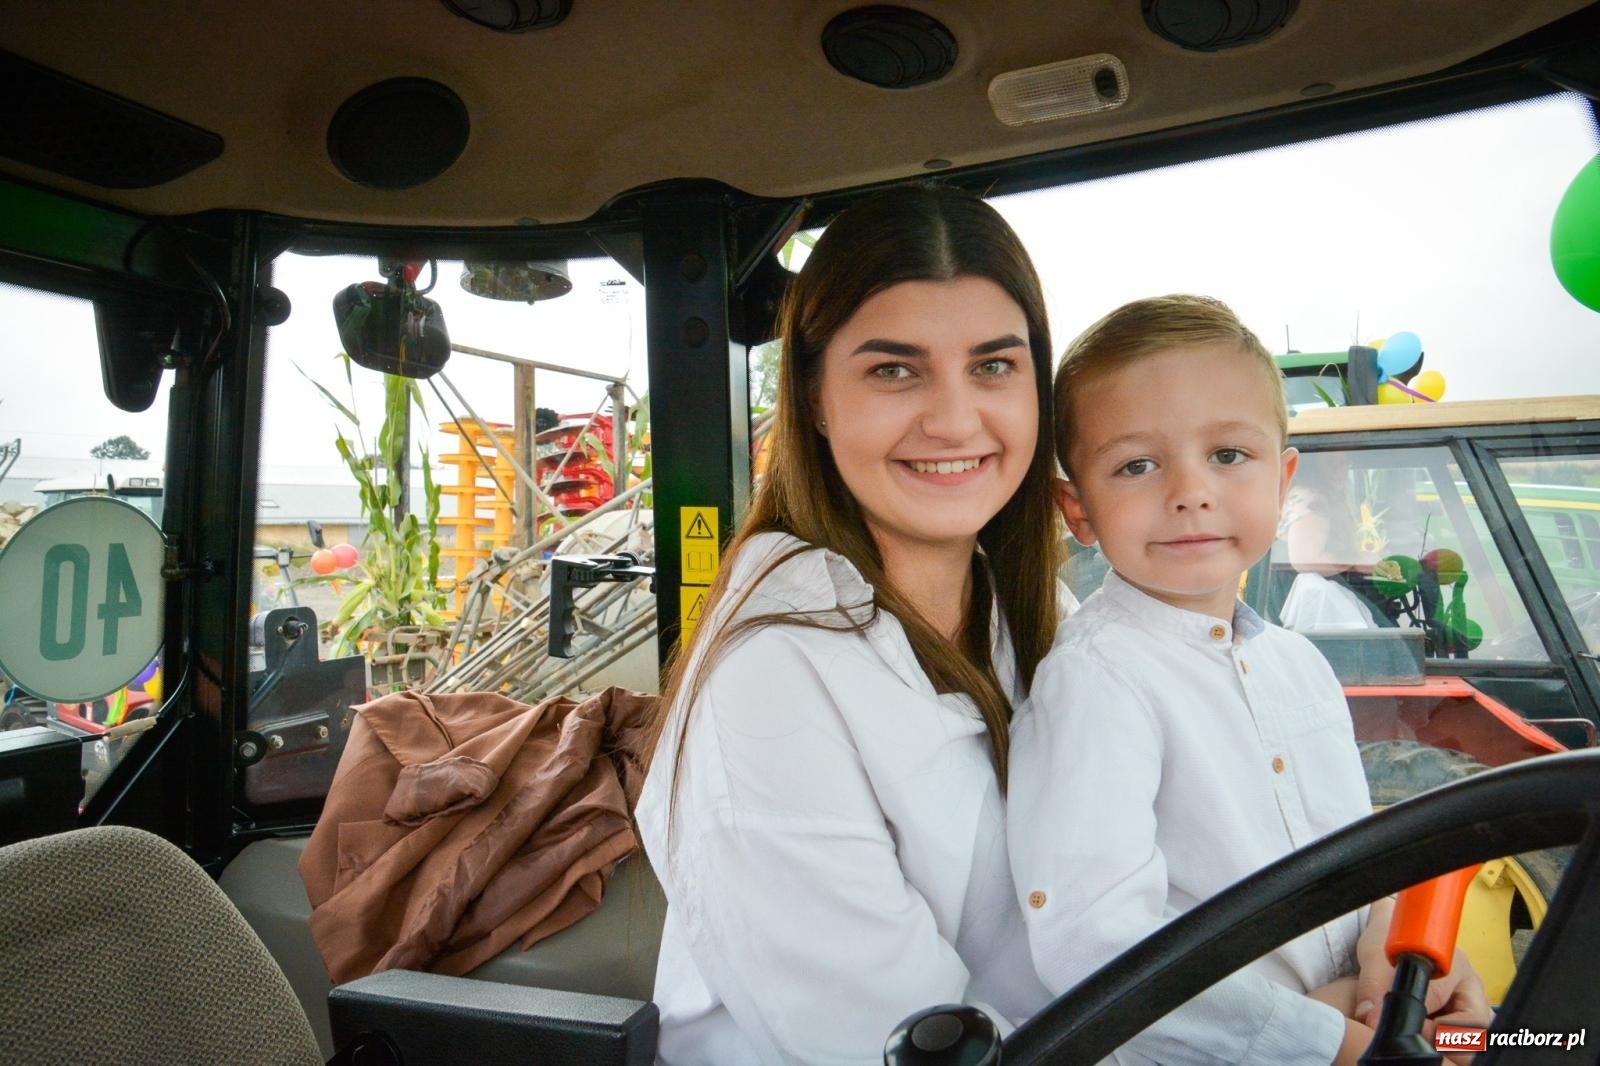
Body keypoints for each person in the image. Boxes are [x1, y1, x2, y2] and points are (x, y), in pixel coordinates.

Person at [634, 185, 1063, 1064]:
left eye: (994, 365)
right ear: (816, 399)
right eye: (893, 369)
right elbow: (903, 1041)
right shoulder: (775, 671)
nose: (954, 418)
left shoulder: (1024, 613)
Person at [1007, 295, 1490, 1065]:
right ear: (1079, 511)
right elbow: (1094, 946)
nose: (1190, 491)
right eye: (1137, 465)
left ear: (1281, 477)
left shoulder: (1298, 665)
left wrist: (1395, 955)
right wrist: (1326, 1040)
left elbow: (1355, 857)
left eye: (1228, 455)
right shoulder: (1096, 684)